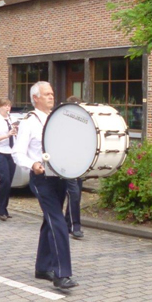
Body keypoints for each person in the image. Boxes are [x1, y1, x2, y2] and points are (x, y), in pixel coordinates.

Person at [12, 81, 78, 289]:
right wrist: (33, 164)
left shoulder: (56, 119)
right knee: (58, 222)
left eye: (52, 93)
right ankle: (61, 274)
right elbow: (17, 153)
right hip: (41, 179)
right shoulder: (29, 123)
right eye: (47, 94)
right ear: (35, 98)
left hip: (59, 177)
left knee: (49, 220)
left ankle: (42, 267)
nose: (52, 96)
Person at [64, 95, 84, 239]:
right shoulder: (63, 123)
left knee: (76, 195)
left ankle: (66, 223)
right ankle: (75, 226)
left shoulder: (82, 124)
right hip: (67, 164)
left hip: (80, 164)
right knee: (74, 194)